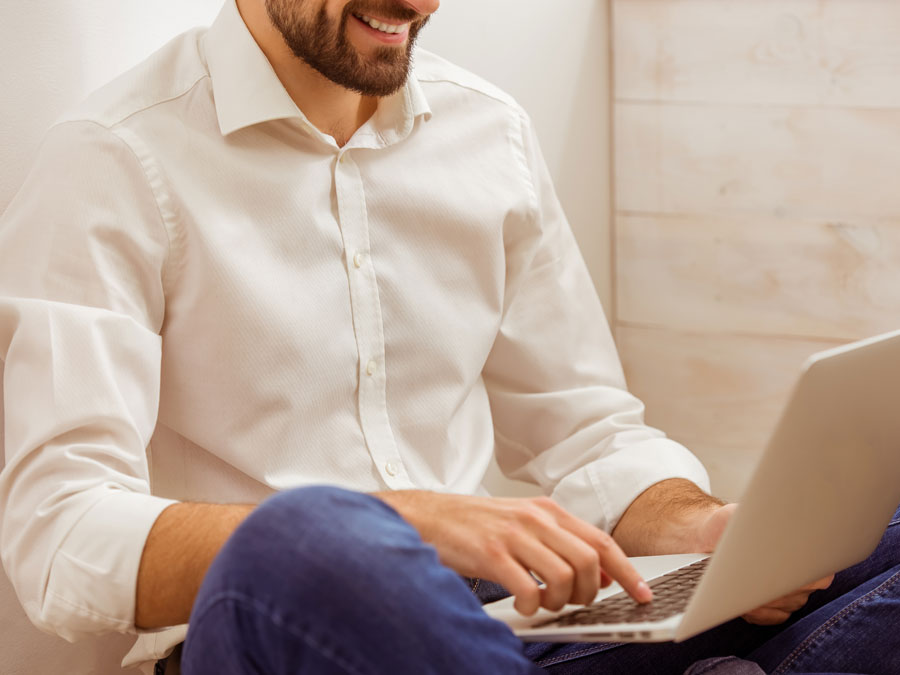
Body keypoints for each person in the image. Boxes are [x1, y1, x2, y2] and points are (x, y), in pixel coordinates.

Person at [0, 0, 898, 673]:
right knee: (309, 538)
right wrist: (397, 524)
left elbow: (587, 430)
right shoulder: (113, 158)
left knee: (871, 529)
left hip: (498, 627)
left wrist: (705, 529)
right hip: (291, 625)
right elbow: (58, 532)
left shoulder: (487, 132)